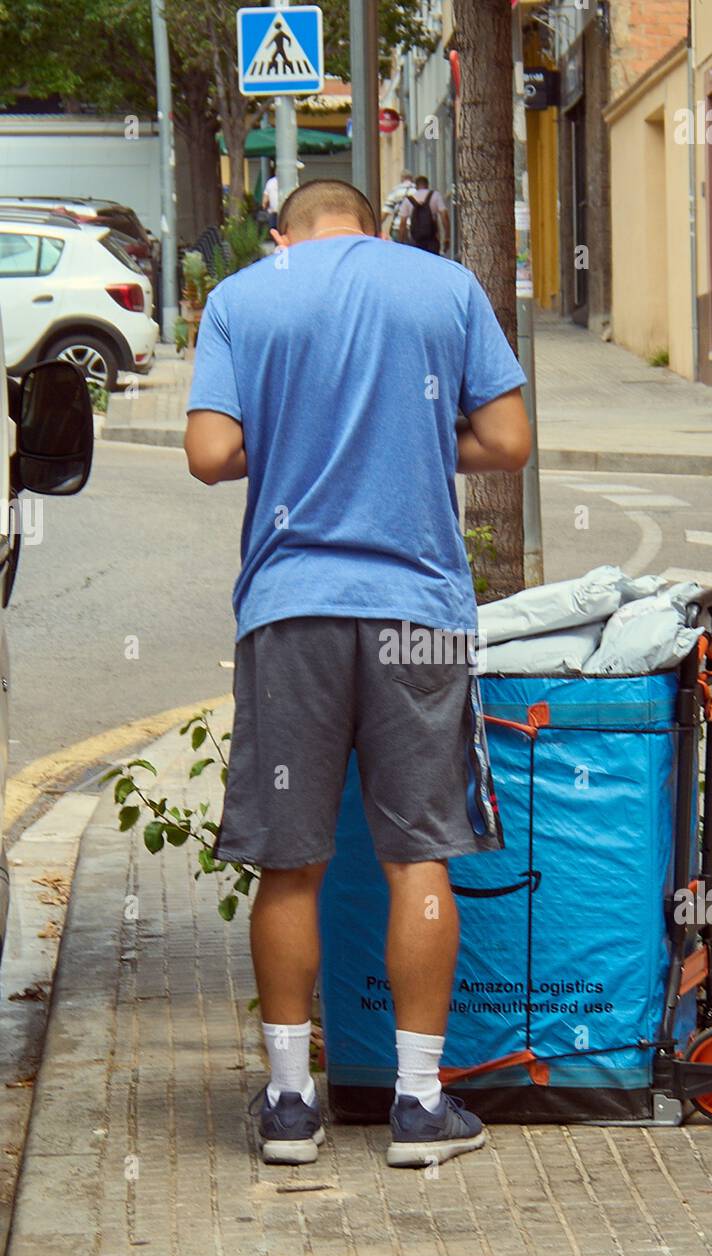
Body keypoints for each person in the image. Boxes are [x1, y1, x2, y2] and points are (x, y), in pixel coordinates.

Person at [185, 179, 530, 1170]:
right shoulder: (444, 285)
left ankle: (291, 1105)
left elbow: (209, 453)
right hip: (418, 616)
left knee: (290, 860)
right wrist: (417, 444)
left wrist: (293, 447)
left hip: (290, 611)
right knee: (417, 854)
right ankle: (420, 1107)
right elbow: (505, 442)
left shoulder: (245, 296)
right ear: (375, 230)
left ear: (285, 233)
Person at [399, 173, 449, 255]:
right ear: (427, 185)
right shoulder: (435, 196)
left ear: (416, 186)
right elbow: (444, 216)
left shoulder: (408, 200)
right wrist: (447, 237)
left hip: (415, 240)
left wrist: (401, 242)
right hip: (432, 239)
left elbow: (402, 224)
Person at [381, 168, 415, 240]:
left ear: (402, 178)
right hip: (415, 229)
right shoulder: (417, 190)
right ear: (412, 178)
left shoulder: (396, 190)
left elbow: (386, 211)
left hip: (398, 227)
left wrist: (377, 224)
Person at [261, 162, 279, 232]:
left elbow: (265, 199)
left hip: (273, 211)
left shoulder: (270, 182)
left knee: (274, 231)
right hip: (285, 212)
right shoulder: (288, 182)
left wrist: (264, 206)